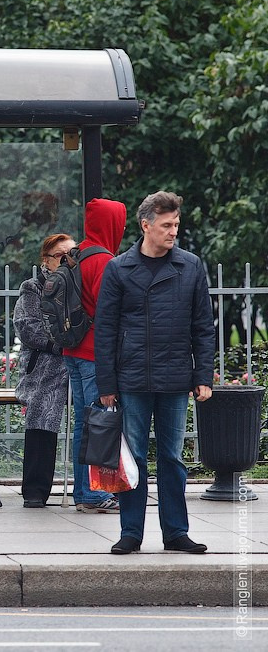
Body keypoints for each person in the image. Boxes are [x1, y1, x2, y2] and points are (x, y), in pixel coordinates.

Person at [95, 191, 214, 555]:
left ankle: (176, 532)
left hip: (175, 378)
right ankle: (130, 532)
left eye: (176, 224)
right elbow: (105, 330)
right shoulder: (119, 268)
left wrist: (203, 376)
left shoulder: (191, 266)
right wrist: (107, 383)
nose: (173, 231)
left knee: (172, 458)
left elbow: (203, 326)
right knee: (132, 459)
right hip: (132, 379)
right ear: (146, 225)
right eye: (166, 225)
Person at [62, 197, 126, 513]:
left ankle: (84, 491)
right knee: (97, 423)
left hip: (72, 349)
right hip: (93, 353)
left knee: (84, 424)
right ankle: (92, 494)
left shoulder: (77, 254)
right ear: (111, 225)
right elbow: (108, 311)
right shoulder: (103, 260)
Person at [14, 234, 74, 508]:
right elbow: (28, 327)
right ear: (46, 260)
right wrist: (63, 345)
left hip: (78, 362)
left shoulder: (81, 286)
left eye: (72, 255)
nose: (67, 260)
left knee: (98, 413)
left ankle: (96, 487)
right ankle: (35, 491)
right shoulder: (32, 287)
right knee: (42, 411)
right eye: (60, 256)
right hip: (45, 363)